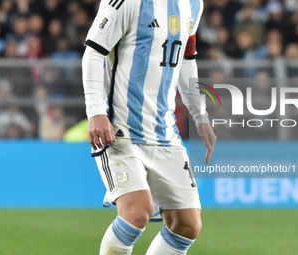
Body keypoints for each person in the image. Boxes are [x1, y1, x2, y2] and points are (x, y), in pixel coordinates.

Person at [82, 0, 216, 254]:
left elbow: (186, 59)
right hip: (120, 130)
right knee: (136, 212)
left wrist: (200, 116)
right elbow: (94, 52)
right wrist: (96, 111)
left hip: (165, 133)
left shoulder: (194, 4)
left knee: (187, 224)